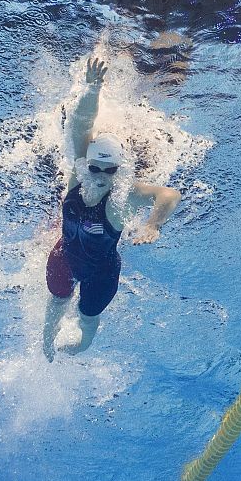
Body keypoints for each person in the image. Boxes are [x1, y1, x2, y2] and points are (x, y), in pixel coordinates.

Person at [42, 58, 182, 362]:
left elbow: (169, 195)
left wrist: (153, 224)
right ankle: (46, 343)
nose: (100, 175)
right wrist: (93, 88)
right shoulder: (79, 173)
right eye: (95, 167)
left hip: (100, 274)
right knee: (56, 303)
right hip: (64, 255)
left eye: (110, 170)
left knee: (87, 318)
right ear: (85, 163)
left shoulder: (123, 195)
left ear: (119, 171)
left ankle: (81, 346)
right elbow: (80, 123)